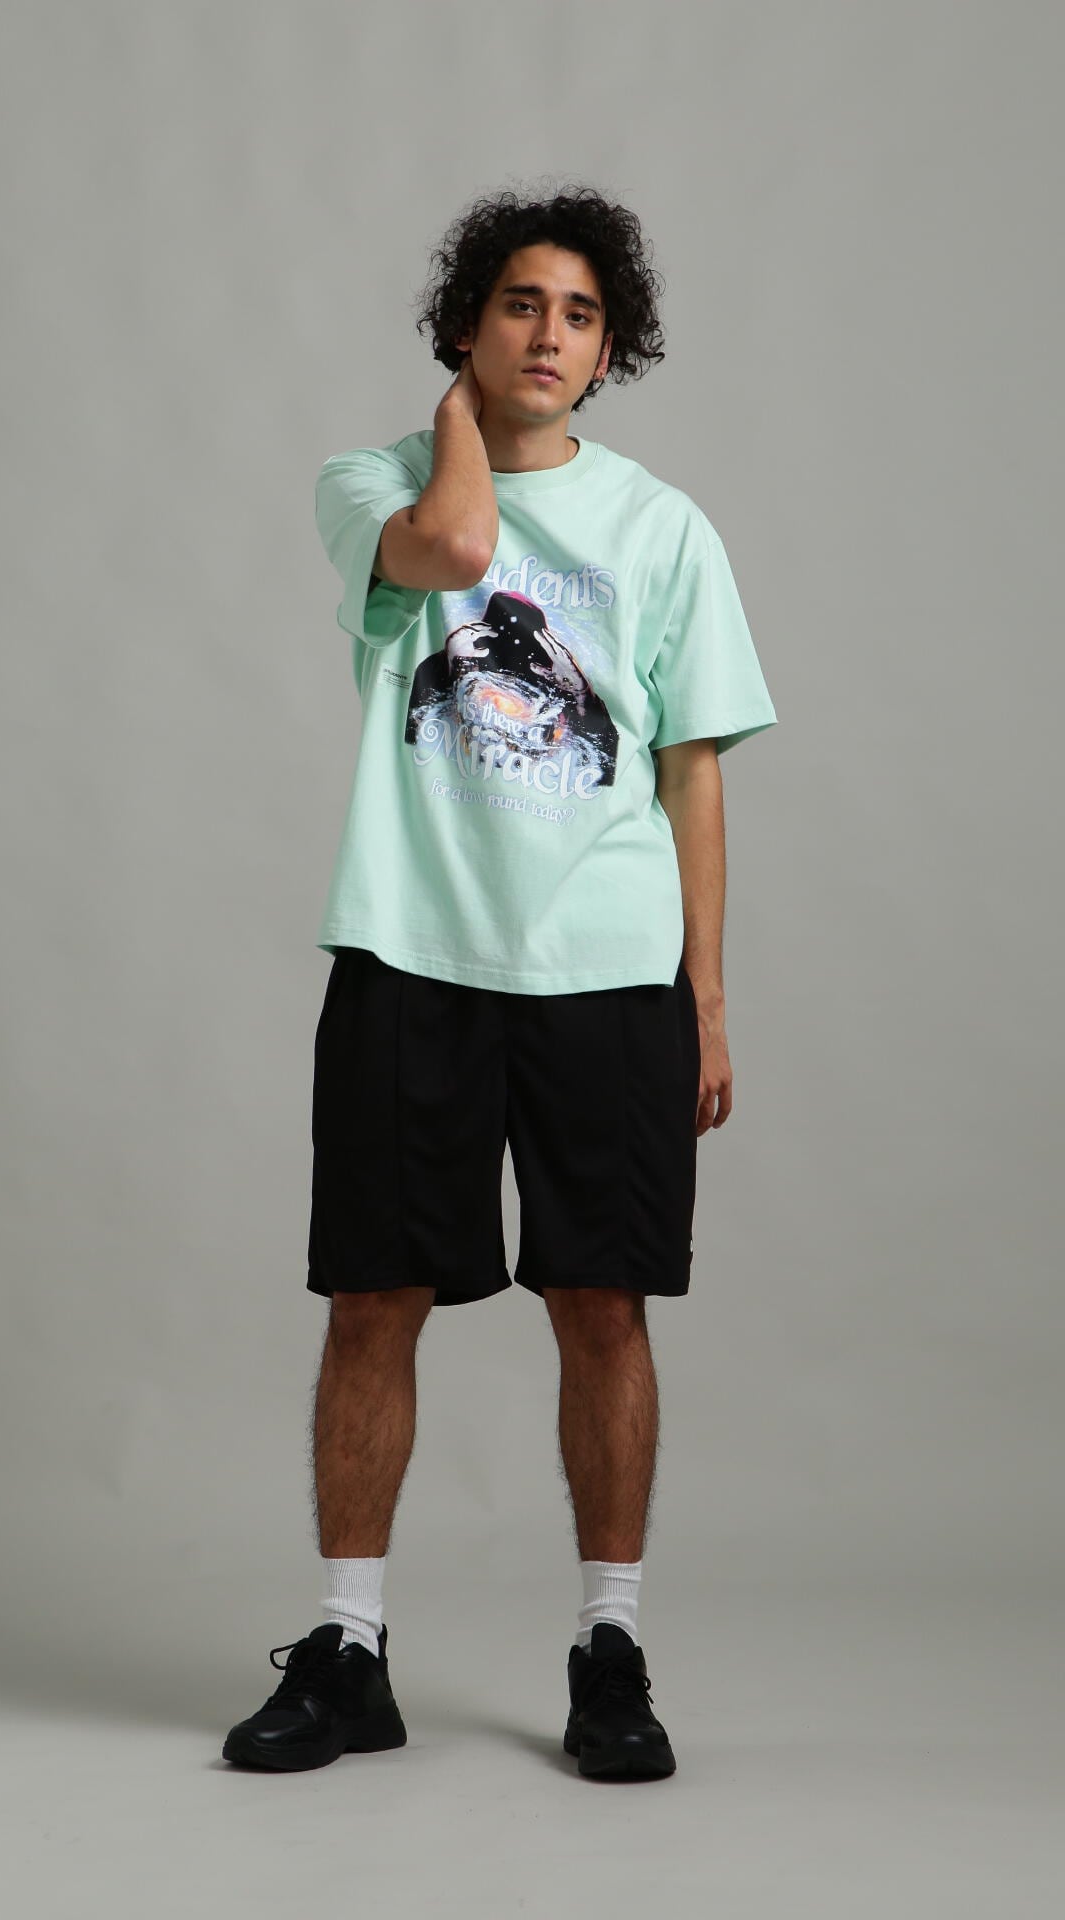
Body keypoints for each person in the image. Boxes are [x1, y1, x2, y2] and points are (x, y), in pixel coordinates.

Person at [222, 183, 777, 1782]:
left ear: (611, 350)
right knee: (372, 1300)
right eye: (521, 304)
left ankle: (610, 1649)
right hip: (412, 950)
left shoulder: (664, 530)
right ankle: (350, 1649)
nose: (550, 335)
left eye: (581, 315)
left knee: (604, 1304)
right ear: (466, 324)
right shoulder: (373, 484)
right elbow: (459, 545)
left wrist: (708, 1000)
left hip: (609, 967)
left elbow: (692, 775)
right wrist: (456, 422)